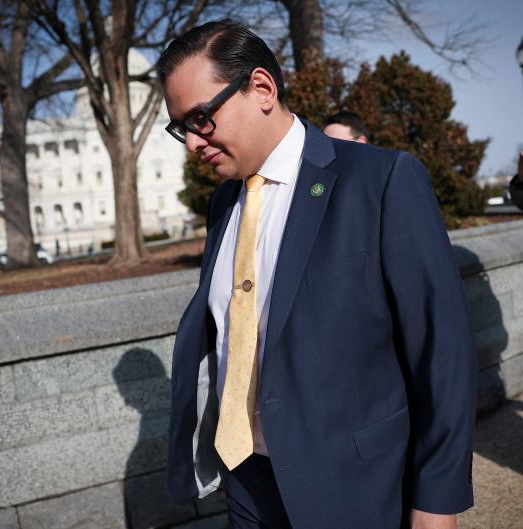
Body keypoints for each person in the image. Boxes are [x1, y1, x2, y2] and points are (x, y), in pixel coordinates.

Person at [157, 20, 476, 529]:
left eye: (201, 119)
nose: (192, 143)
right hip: (246, 482)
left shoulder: (381, 180)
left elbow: (442, 352)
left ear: (261, 88)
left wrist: (437, 505)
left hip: (355, 487)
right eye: (181, 128)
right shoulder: (224, 203)